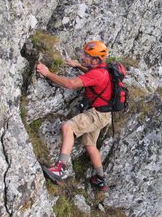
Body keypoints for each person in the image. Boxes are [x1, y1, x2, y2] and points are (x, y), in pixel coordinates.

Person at [36, 40, 111, 191]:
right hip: (104, 114)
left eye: (87, 56)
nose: (84, 57)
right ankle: (100, 179)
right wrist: (78, 66)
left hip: (96, 114)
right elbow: (92, 76)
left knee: (67, 127)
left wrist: (48, 73)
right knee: (90, 145)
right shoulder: (104, 70)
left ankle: (60, 168)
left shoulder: (98, 73)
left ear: (96, 60)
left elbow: (70, 84)